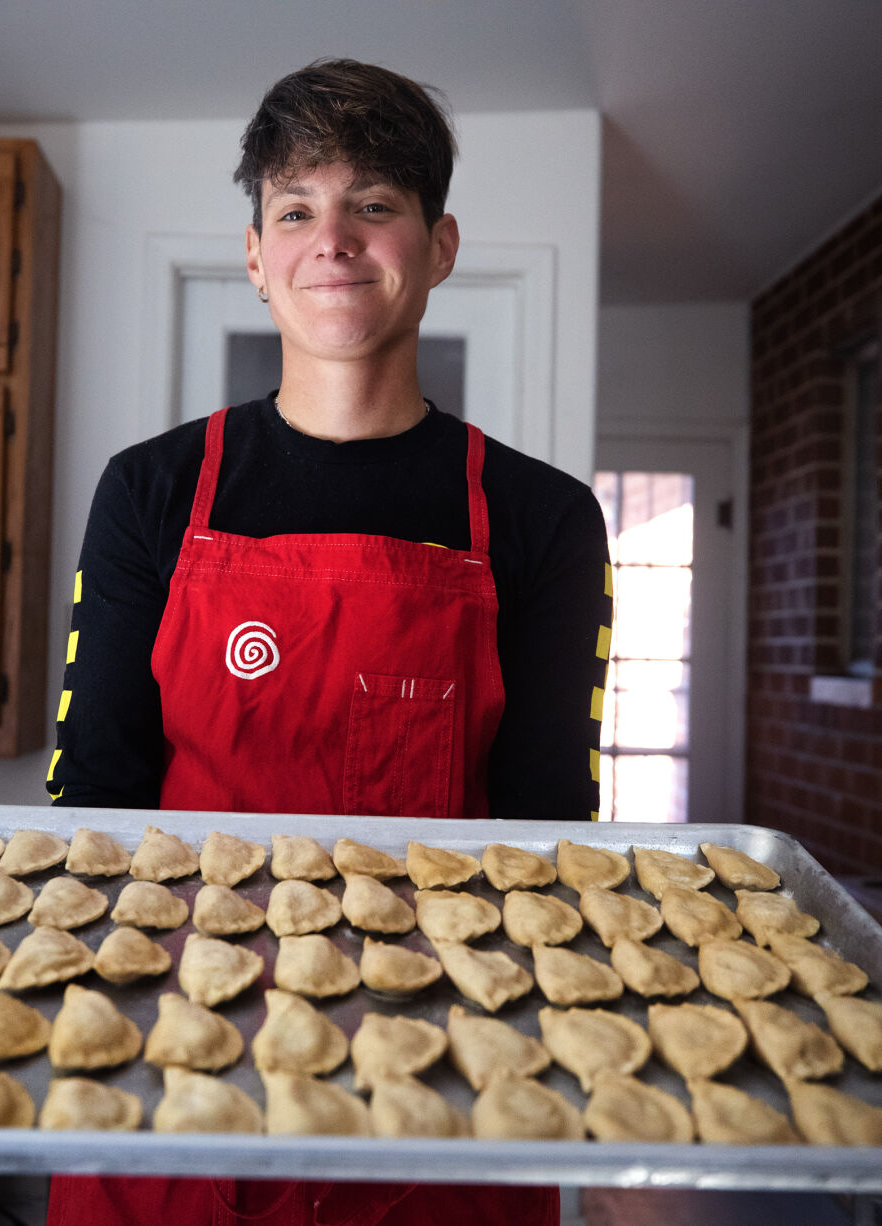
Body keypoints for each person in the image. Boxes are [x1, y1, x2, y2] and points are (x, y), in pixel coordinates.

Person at [46, 57, 611, 1226]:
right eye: (295, 209)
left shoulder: (541, 518)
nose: (332, 240)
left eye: (373, 204)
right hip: (177, 1054)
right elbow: (93, 792)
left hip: (437, 1078)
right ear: (254, 256)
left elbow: (546, 834)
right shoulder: (152, 490)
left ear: (437, 245)